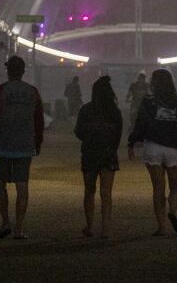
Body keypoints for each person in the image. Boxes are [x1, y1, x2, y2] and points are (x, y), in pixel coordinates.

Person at [0, 55, 43, 240]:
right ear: (23, 71)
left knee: (0, 184)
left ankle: (5, 221)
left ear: (8, 71)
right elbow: (39, 121)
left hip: (4, 143)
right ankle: (19, 228)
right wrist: (37, 143)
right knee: (22, 186)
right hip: (25, 145)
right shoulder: (32, 92)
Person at [128, 69, 177, 237]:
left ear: (153, 83)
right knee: (176, 187)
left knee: (158, 187)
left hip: (153, 146)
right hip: (175, 147)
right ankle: (173, 210)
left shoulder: (148, 101)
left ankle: (161, 227)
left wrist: (132, 141)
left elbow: (140, 124)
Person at [74, 76, 122, 239]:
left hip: (90, 153)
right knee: (106, 193)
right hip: (108, 154)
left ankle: (89, 226)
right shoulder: (114, 112)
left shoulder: (86, 110)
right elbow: (118, 135)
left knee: (89, 191)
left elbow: (78, 132)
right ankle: (106, 229)